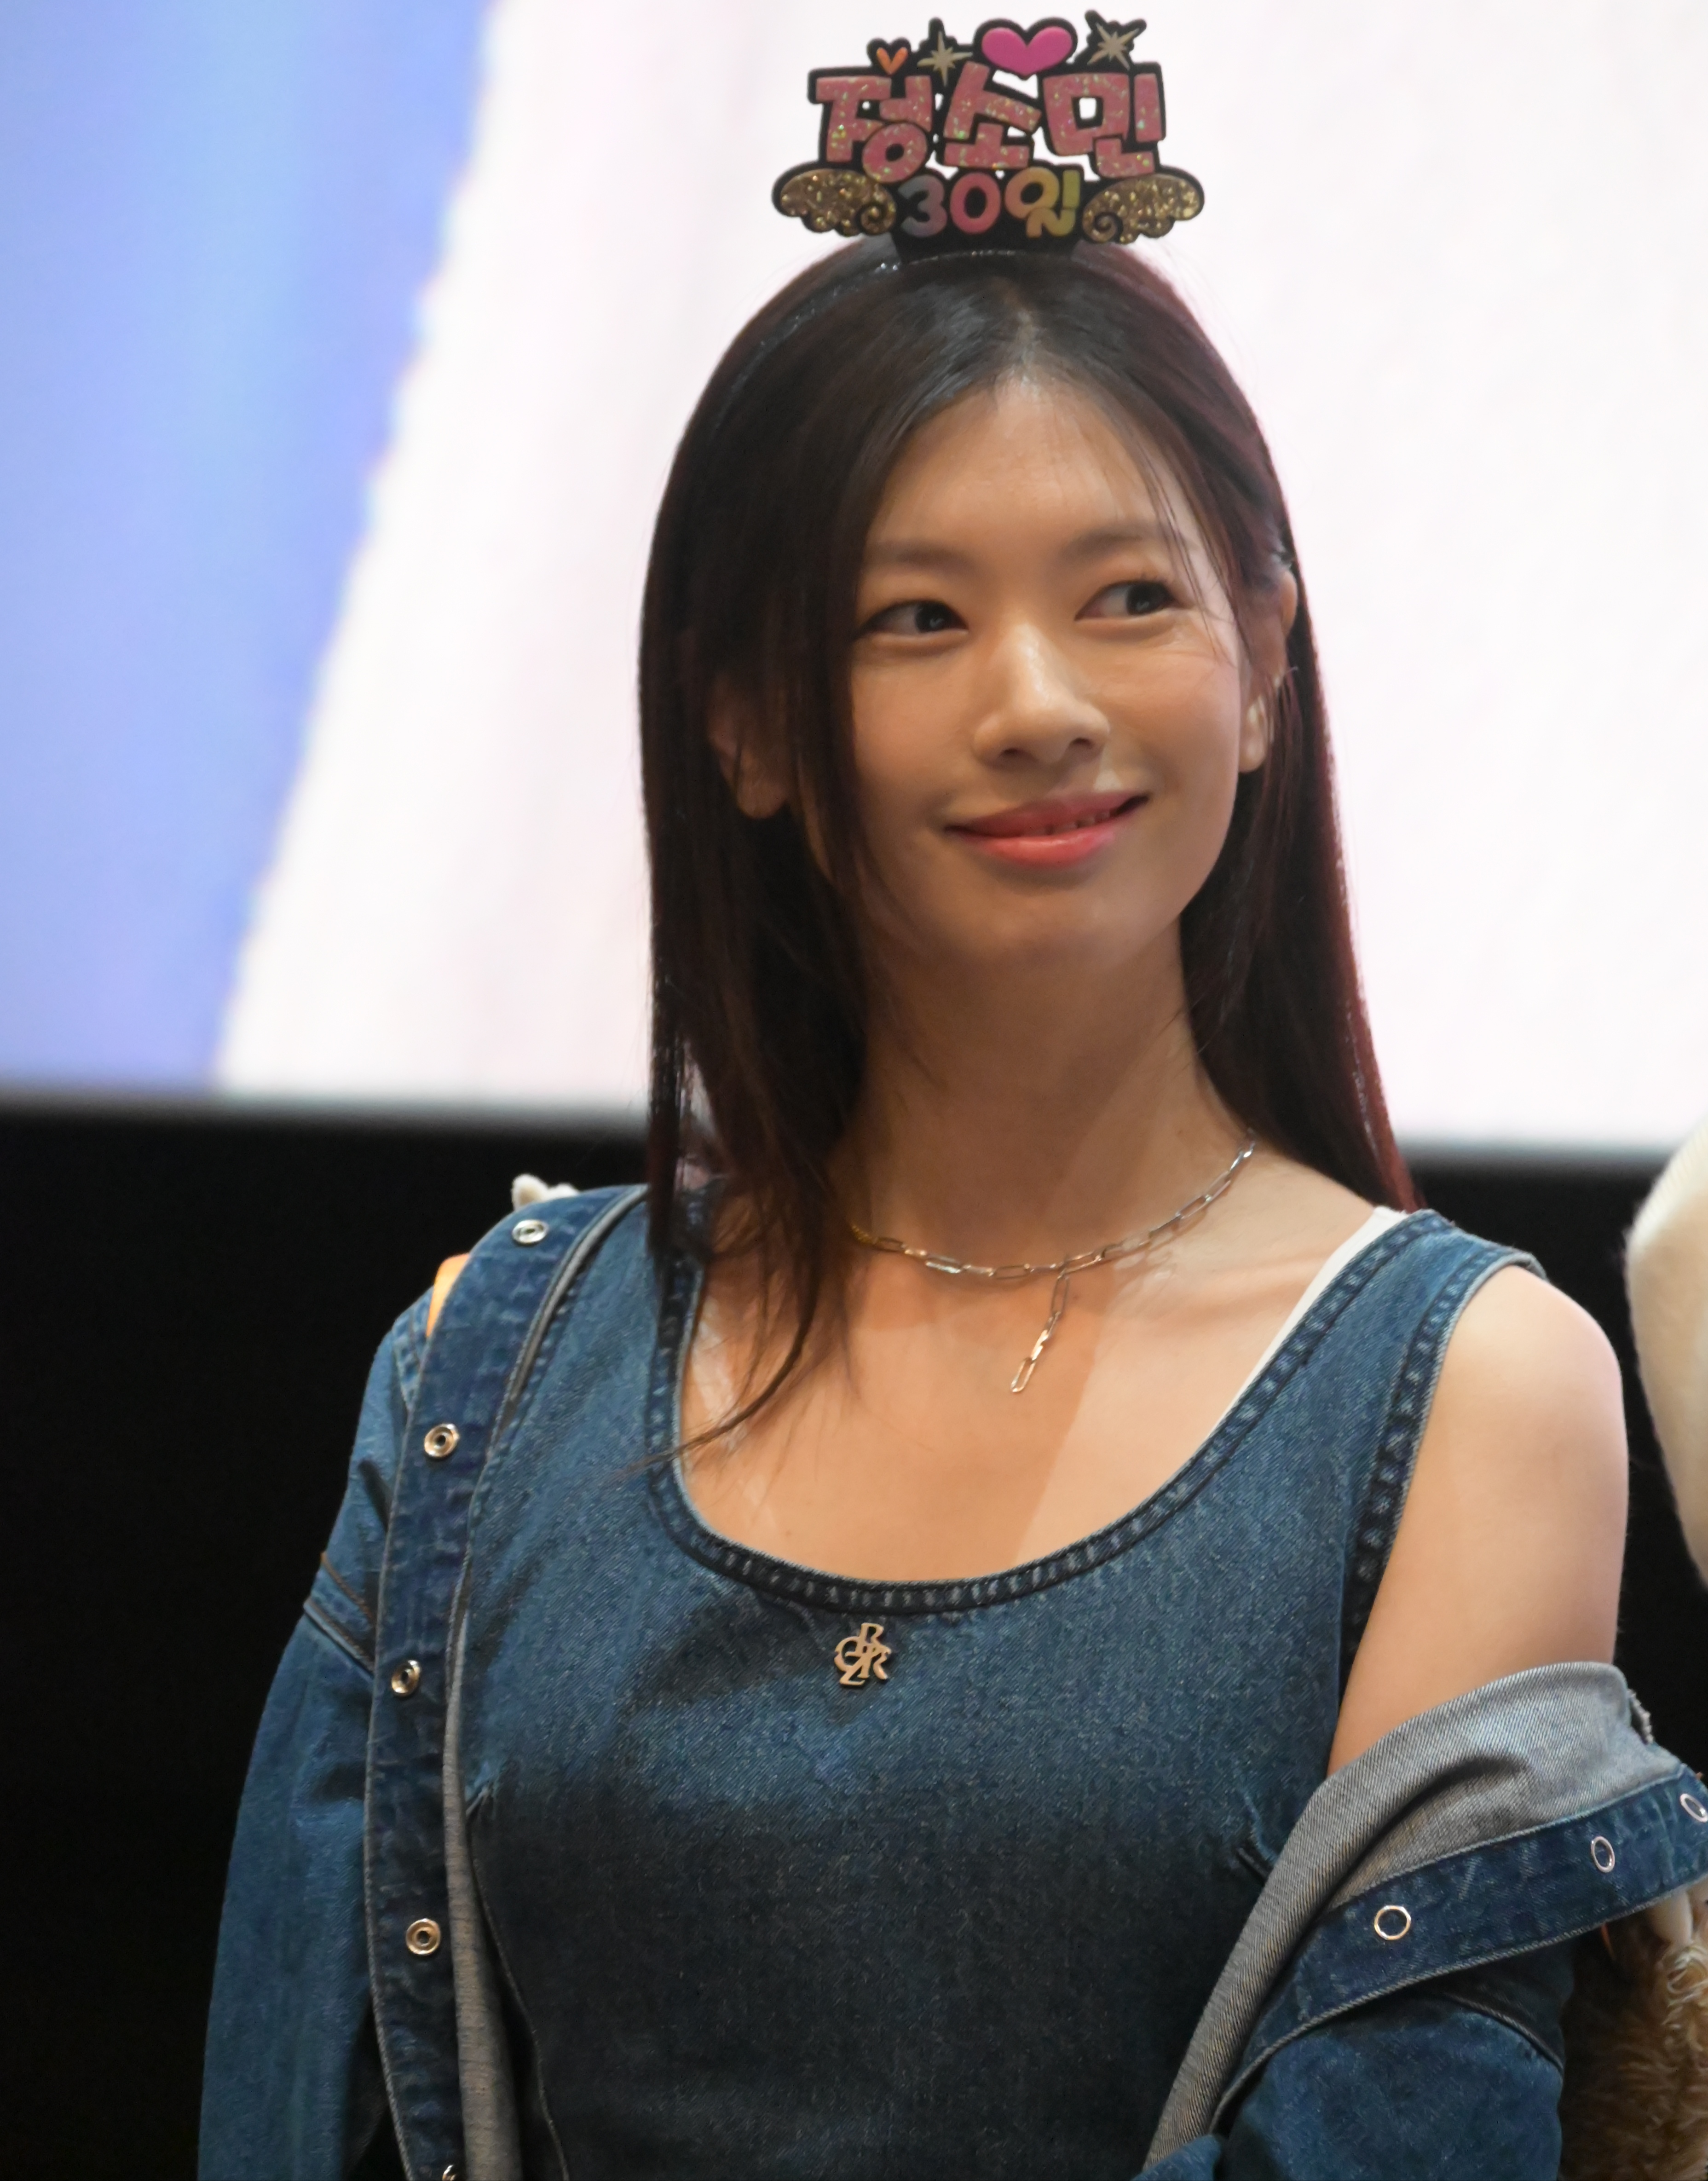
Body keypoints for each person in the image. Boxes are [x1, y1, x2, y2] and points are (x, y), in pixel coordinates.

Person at [201, 77, 1708, 2181]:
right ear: (743, 717)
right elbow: (308, 2103)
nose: (1037, 704)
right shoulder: (488, 1365)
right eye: (915, 618)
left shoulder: (1467, 1389)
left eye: (1129, 599)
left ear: (1264, 663)